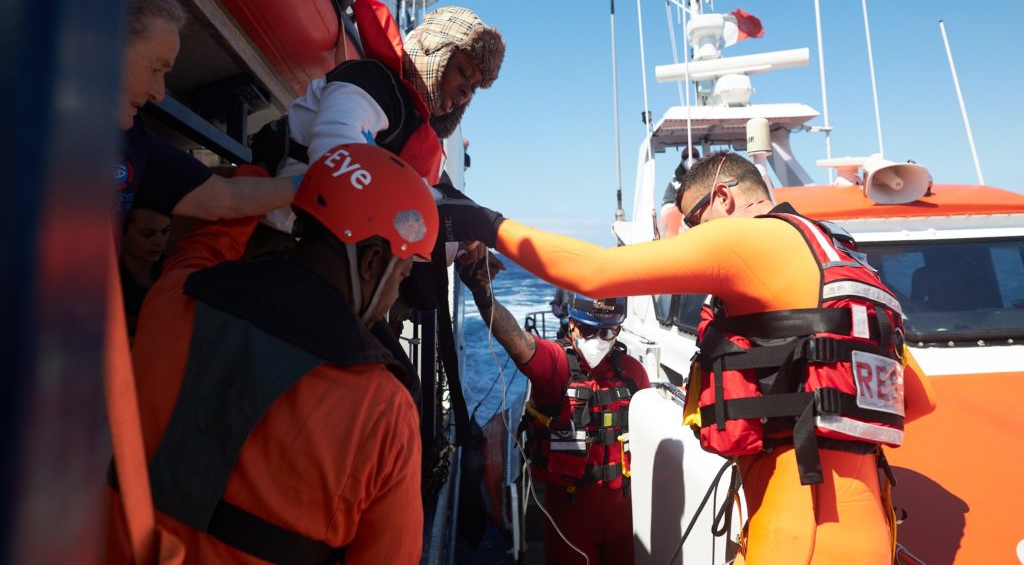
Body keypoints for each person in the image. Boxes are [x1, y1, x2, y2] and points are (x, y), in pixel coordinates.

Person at [436, 153, 937, 565]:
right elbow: (916, 400)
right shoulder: (845, 264)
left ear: (723, 197)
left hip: (798, 523)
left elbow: (595, 273)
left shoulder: (752, 237)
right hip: (872, 519)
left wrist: (484, 222)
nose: (692, 245)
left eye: (694, 226)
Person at [106, 144, 435, 564]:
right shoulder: (386, 413)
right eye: (402, 274)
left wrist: (259, 175)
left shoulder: (173, 296)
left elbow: (212, 239)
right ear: (373, 263)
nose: (395, 293)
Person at [459, 257, 648, 565]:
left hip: (625, 519)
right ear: (571, 324)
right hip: (569, 522)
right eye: (588, 331)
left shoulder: (633, 372)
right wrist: (483, 294)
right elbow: (519, 344)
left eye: (607, 333)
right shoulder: (556, 366)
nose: (597, 342)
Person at [263, 2, 505, 235]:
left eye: (474, 88)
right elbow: (334, 164)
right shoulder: (369, 81)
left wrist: (464, 243)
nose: (466, 93)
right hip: (274, 237)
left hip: (318, 248)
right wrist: (439, 200)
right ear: (434, 52)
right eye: (463, 72)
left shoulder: (413, 127)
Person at [116, 0, 295, 230]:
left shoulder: (134, 142)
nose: (158, 94)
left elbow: (226, 199)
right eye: (155, 70)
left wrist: (308, 183)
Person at [118, 207, 170, 339]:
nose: (159, 241)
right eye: (147, 234)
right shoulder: (110, 282)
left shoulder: (171, 269)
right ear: (121, 235)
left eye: (165, 232)